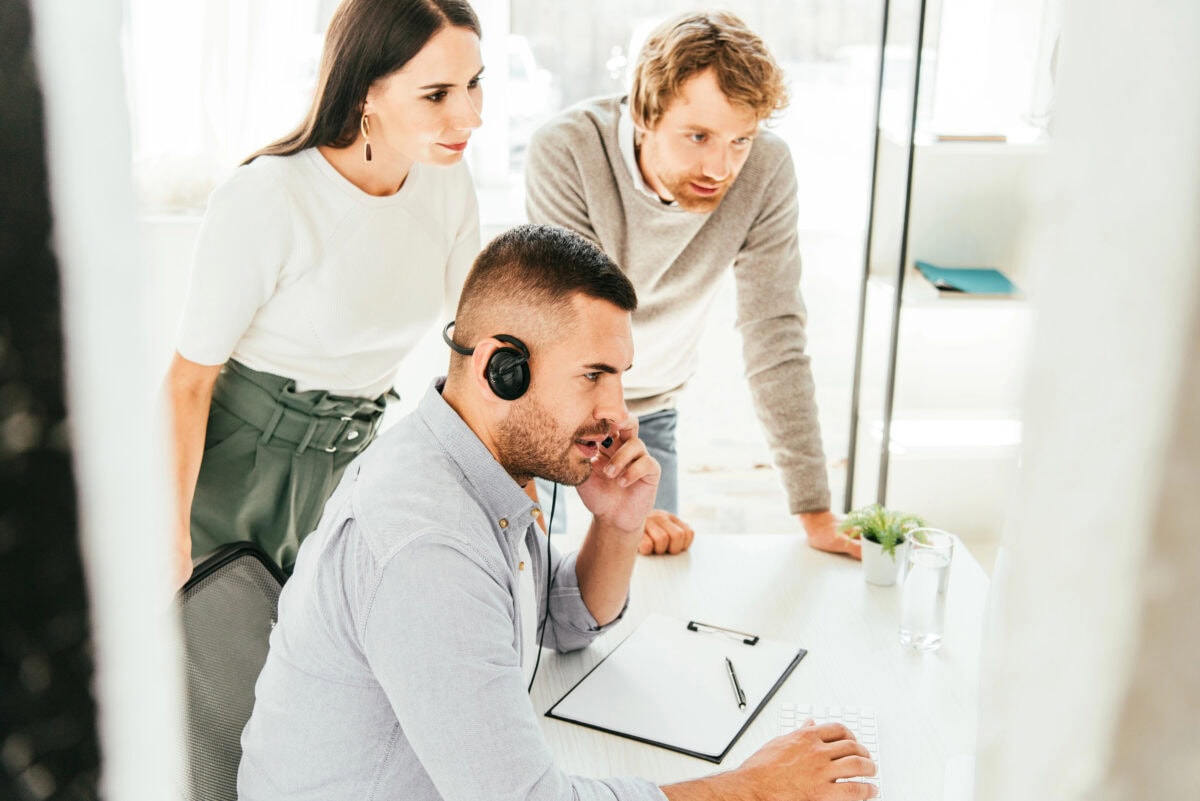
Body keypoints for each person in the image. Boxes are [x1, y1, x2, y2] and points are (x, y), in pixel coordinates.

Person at [237, 223, 876, 800]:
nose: (621, 413)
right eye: (593, 375)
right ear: (501, 370)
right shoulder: (428, 546)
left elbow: (558, 619)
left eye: (619, 377)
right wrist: (756, 790)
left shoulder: (475, 468)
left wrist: (618, 523)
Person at [166, 0, 484, 584]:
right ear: (366, 92)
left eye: (474, 85)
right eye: (437, 94)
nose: (469, 117)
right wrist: (167, 531)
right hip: (235, 466)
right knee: (217, 667)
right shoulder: (268, 196)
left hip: (352, 464)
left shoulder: (448, 179)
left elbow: (477, 337)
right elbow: (188, 381)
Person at [524, 11, 861, 559]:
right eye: (698, 136)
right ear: (641, 113)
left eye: (740, 140)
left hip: (651, 411)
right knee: (549, 598)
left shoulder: (766, 169)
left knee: (648, 592)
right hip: (560, 409)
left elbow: (774, 333)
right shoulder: (565, 152)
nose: (720, 166)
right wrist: (617, 490)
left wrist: (815, 512)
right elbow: (577, 329)